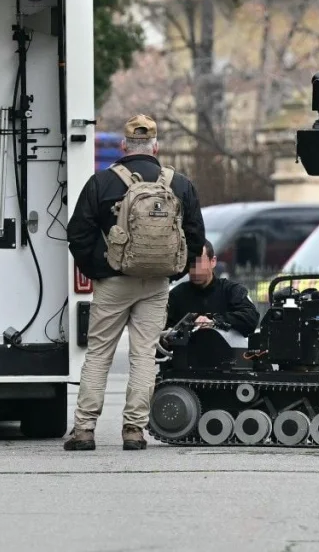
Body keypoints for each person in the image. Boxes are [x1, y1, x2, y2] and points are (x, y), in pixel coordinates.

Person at [64, 114, 205, 451]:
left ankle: (84, 430)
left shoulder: (102, 182)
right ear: (156, 147)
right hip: (156, 284)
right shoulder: (180, 184)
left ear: (124, 146)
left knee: (99, 354)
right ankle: (133, 431)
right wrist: (171, 271)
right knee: (143, 356)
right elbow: (196, 238)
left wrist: (100, 267)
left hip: (113, 281)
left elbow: (78, 234)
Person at [165, 239, 260, 335]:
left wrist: (215, 321)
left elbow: (251, 317)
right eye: (191, 263)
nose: (195, 270)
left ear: (213, 261)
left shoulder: (231, 291)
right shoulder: (177, 295)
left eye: (200, 262)